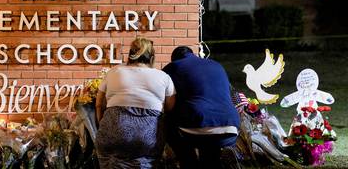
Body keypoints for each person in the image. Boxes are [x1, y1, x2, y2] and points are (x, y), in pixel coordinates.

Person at [95, 37, 176, 168]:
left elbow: (99, 104)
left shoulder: (113, 72)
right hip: (147, 137)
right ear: (152, 57)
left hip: (112, 132)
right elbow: (170, 107)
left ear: (130, 55)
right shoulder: (163, 77)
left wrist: (102, 126)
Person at [162, 46, 241, 169]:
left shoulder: (173, 67)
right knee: (210, 153)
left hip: (198, 125)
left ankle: (189, 162)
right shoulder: (216, 65)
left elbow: (165, 99)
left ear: (174, 59)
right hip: (230, 126)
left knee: (165, 120)